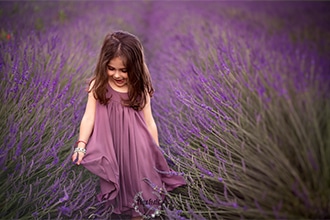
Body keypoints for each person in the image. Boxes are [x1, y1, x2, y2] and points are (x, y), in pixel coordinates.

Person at [71, 31, 186, 219]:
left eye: (124, 70)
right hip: (112, 150)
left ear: (135, 67)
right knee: (119, 188)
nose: (117, 75)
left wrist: (155, 151)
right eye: (111, 68)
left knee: (141, 193)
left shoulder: (140, 89)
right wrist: (81, 145)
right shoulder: (97, 86)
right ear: (103, 64)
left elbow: (149, 121)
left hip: (138, 150)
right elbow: (88, 117)